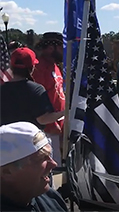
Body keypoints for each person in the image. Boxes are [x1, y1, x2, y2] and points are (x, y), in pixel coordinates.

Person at [0, 122, 68, 211]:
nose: (53, 164)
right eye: (41, 158)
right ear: (7, 172)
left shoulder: (50, 198)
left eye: (49, 155)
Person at [0, 47, 64, 129]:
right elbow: (43, 119)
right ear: (32, 67)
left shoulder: (2, 89)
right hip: (29, 139)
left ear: (12, 67)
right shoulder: (36, 90)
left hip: (5, 139)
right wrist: (64, 113)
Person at [32, 32, 65, 166]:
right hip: (47, 129)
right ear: (51, 48)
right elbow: (38, 101)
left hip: (60, 126)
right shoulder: (38, 69)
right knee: (51, 167)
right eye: (62, 48)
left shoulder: (55, 67)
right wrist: (52, 124)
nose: (64, 51)